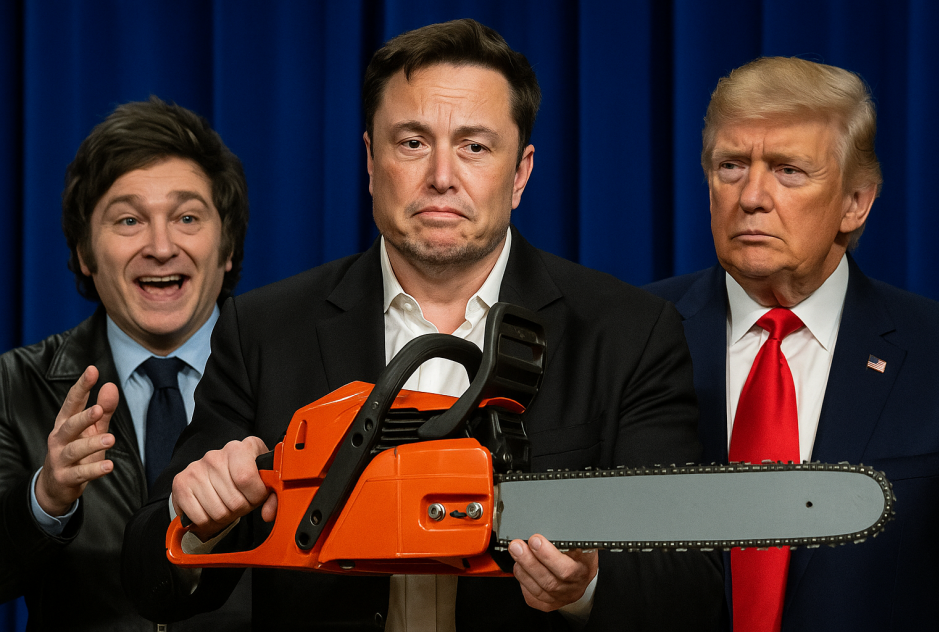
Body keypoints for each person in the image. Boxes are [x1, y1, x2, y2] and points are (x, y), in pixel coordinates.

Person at [122, 19, 723, 632]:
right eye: (412, 142)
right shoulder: (263, 329)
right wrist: (196, 521)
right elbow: (151, 579)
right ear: (370, 159)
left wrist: (585, 587)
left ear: (520, 173)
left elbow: (692, 593)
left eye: (474, 147)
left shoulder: (630, 334)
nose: (441, 175)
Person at [646, 56, 939, 631]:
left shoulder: (937, 355)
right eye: (731, 166)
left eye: (788, 170)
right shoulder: (633, 333)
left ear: (855, 202)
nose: (751, 197)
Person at [0, 97, 252, 630]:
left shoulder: (290, 370)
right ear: (85, 253)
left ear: (227, 246)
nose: (160, 246)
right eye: (129, 220)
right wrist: (46, 497)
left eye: (187, 217)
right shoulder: (13, 385)